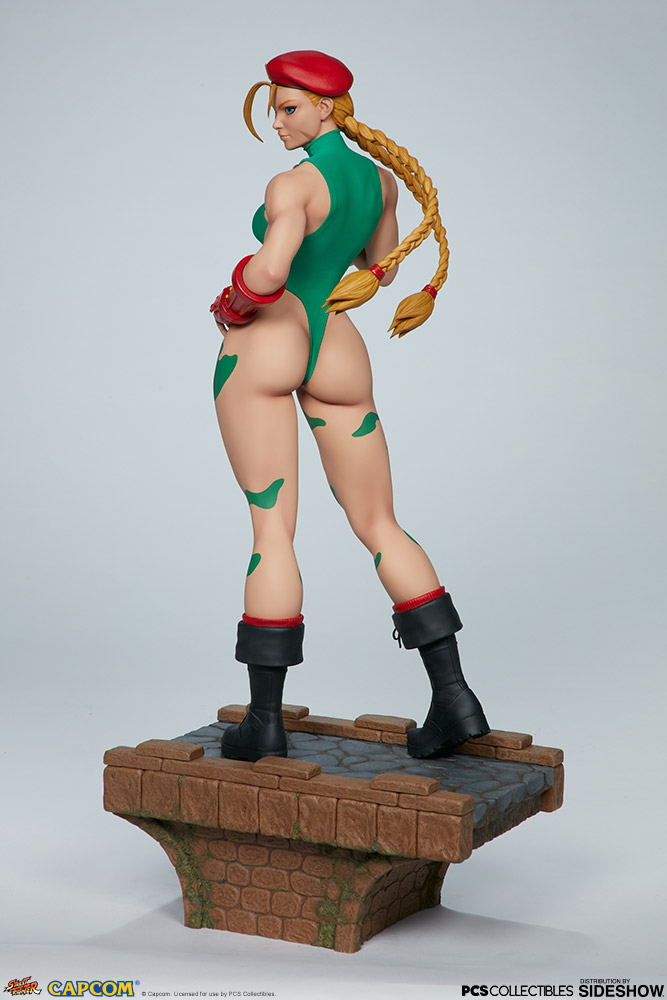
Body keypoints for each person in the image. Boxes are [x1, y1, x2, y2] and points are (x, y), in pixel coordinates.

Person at [210, 50, 489, 762]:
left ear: (325, 108)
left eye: (288, 108)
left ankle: (264, 723)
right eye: (274, 108)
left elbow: (270, 273)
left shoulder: (292, 185)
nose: (277, 122)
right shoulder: (379, 180)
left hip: (271, 340)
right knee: (380, 522)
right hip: (335, 344)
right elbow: (380, 265)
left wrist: (232, 300)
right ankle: (455, 698)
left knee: (273, 530)